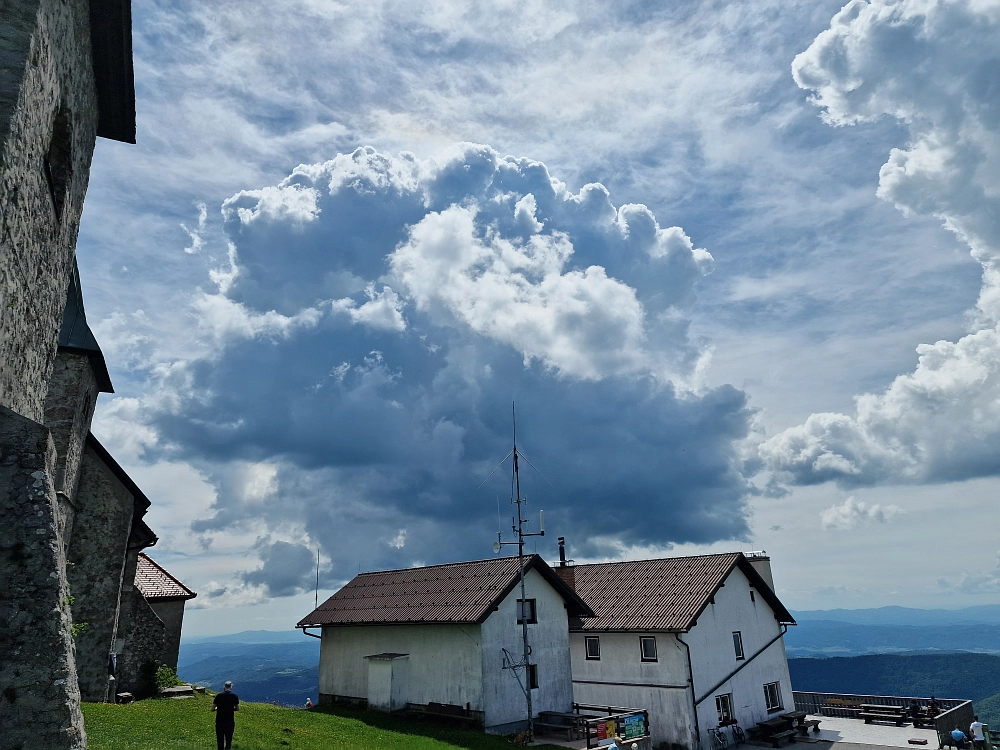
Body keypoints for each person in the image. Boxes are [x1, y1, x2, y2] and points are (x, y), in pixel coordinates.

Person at [212, 681, 240, 750]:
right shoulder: (234, 696)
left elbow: (212, 709)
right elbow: (237, 708)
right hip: (229, 722)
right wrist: (230, 708)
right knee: (228, 740)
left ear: (224, 687)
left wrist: (217, 708)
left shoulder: (218, 696)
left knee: (220, 740)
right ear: (231, 687)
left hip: (219, 721)